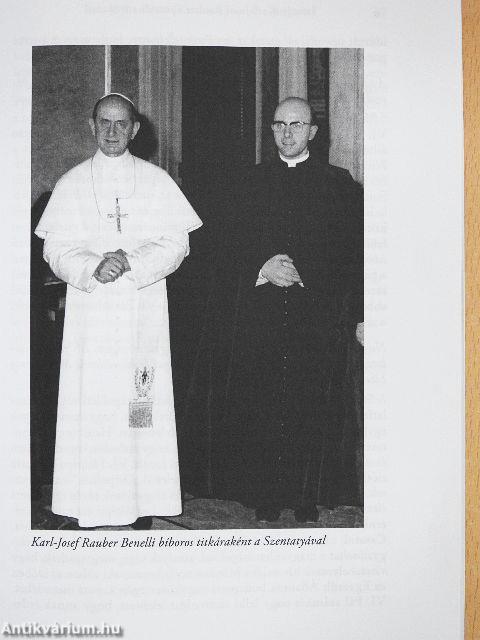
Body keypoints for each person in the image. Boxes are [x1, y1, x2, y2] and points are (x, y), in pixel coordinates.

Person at [180, 97, 363, 523]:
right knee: (261, 404)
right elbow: (221, 247)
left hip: (315, 315)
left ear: (313, 132)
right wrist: (261, 267)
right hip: (258, 313)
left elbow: (352, 252)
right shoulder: (246, 182)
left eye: (296, 125)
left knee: (308, 405)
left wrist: (304, 273)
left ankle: (305, 497)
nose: (287, 133)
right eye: (279, 125)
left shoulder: (339, 185)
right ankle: (263, 493)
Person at [35, 93, 202, 529]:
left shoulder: (156, 181)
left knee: (139, 404)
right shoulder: (72, 183)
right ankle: (88, 503)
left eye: (121, 123)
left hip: (141, 312)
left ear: (135, 129)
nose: (112, 131)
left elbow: (177, 243)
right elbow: (55, 247)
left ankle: (143, 499)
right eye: (104, 122)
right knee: (92, 403)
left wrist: (131, 260)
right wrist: (92, 265)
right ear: (92, 126)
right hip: (91, 315)